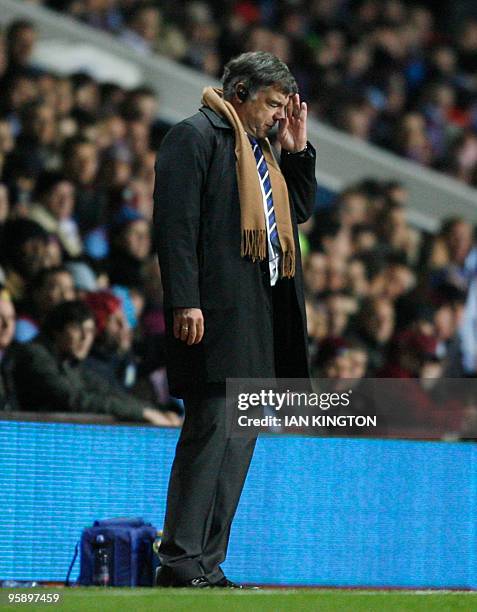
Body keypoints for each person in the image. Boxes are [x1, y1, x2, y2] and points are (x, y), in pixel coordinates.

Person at [153, 51, 317, 588]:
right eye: (272, 104)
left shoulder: (266, 151)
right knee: (209, 438)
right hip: (215, 315)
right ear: (240, 92)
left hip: (261, 317)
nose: (278, 115)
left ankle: (208, 564)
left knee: (238, 446)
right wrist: (184, 300)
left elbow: (300, 211)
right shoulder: (194, 136)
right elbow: (176, 226)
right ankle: (179, 562)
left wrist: (296, 152)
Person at [12, 299, 173, 426]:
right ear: (57, 330)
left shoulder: (69, 361)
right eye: (77, 329)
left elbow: (107, 392)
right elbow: (75, 399)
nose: (84, 338)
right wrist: (142, 414)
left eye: (89, 331)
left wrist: (152, 410)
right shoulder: (35, 355)